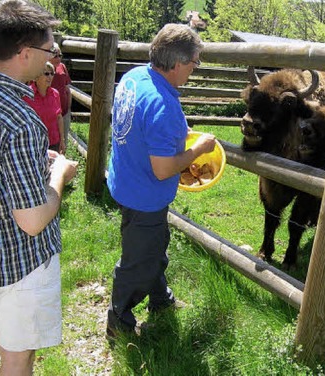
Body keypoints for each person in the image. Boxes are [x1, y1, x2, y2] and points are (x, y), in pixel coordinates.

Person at [0, 0, 78, 375]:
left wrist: (37, 162)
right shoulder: (21, 121)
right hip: (21, 263)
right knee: (18, 357)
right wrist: (59, 174)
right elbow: (33, 220)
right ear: (24, 53)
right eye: (48, 49)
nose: (52, 56)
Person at [106, 23, 216, 337]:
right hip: (146, 194)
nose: (194, 70)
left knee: (153, 247)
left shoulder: (134, 76)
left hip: (126, 181)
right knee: (137, 262)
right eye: (195, 63)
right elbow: (164, 170)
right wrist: (197, 150)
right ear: (179, 63)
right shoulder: (163, 106)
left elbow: (139, 127)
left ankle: (160, 300)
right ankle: (119, 320)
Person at [24, 61, 65, 153]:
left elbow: (59, 117)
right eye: (46, 73)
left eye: (52, 73)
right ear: (36, 76)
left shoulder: (55, 94)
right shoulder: (26, 95)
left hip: (54, 142)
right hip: (34, 143)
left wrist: (62, 140)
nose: (50, 76)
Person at [50, 43, 72, 144]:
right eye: (55, 56)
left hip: (64, 112)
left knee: (63, 140)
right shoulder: (43, 70)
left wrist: (68, 107)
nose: (58, 58)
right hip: (50, 113)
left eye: (60, 55)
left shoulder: (62, 67)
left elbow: (67, 88)